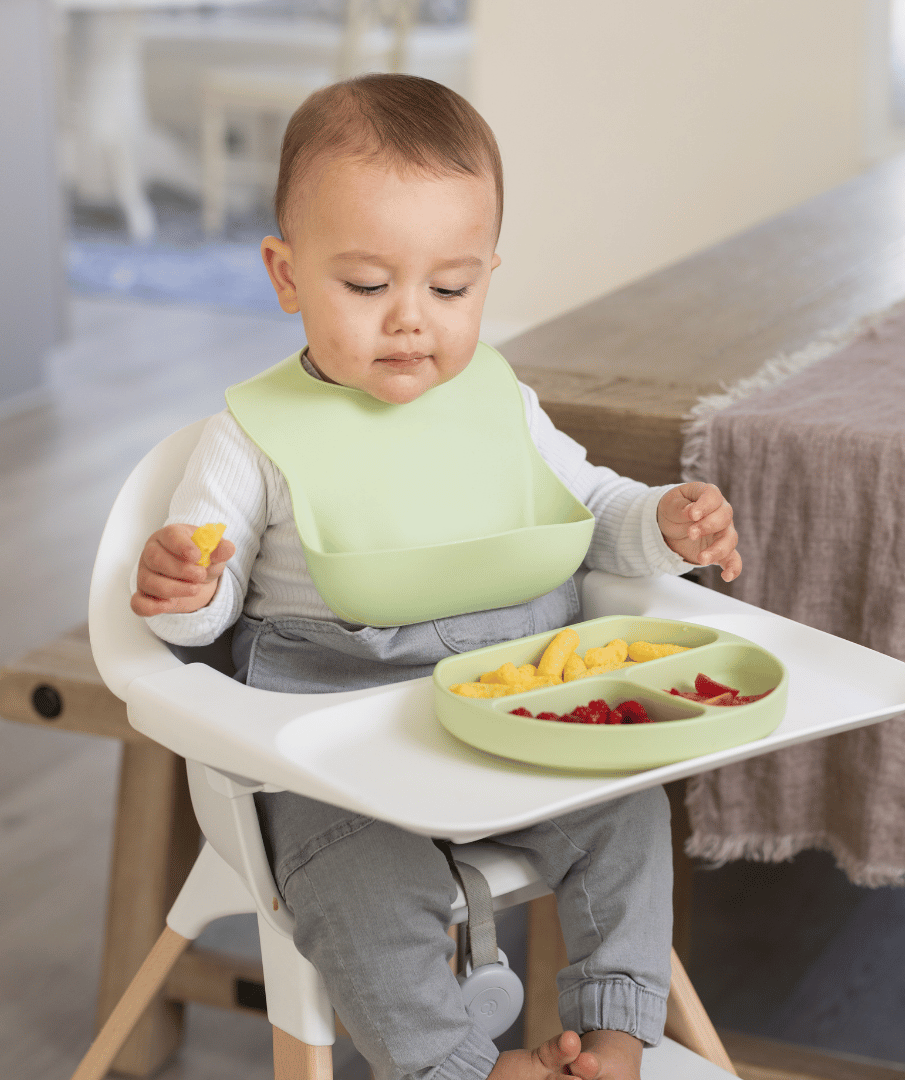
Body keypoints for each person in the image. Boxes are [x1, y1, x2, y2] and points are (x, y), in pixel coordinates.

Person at [131, 74, 741, 1080]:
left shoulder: (501, 402)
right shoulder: (248, 436)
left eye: (450, 288)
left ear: (488, 275)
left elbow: (592, 513)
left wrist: (667, 523)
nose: (412, 320)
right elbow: (203, 605)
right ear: (286, 275)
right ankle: (461, 1067)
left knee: (629, 813)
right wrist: (187, 595)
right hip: (338, 762)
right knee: (353, 888)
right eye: (367, 287)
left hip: (518, 728)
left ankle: (617, 1039)